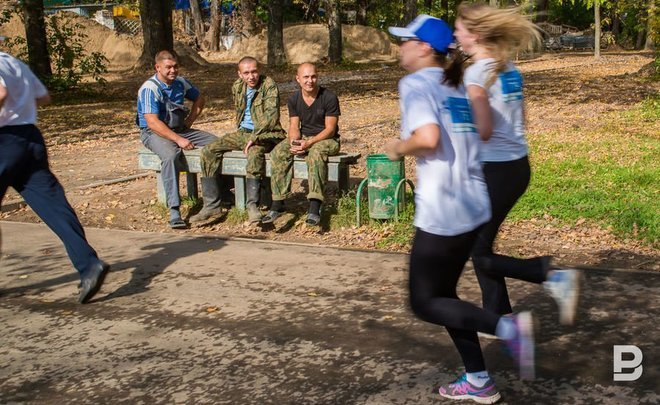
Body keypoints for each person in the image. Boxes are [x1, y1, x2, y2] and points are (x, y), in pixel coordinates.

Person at [385, 15, 535, 404]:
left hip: (444, 211)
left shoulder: (416, 83)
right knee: (447, 297)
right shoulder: (454, 82)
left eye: (405, 41)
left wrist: (398, 147)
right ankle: (478, 379)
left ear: (423, 48)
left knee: (426, 302)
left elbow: (428, 137)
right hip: (474, 202)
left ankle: (506, 327)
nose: (400, 47)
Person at [454, 4, 580, 326]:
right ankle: (501, 318)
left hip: (495, 170)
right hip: (516, 166)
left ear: (476, 34)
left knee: (478, 251)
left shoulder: (477, 72)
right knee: (481, 245)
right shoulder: (507, 68)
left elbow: (482, 130)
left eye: (459, 29)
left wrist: (450, 128)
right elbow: (522, 118)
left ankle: (549, 275)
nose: (455, 34)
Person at [0, 51, 109, 304]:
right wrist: (19, 112)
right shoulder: (13, 62)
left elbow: (2, 93)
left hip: (4, 141)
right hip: (30, 139)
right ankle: (89, 264)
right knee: (55, 208)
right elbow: (43, 96)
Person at [191, 56, 286, 224]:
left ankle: (252, 205)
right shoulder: (237, 87)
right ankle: (212, 204)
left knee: (254, 153)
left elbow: (272, 117)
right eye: (246, 73)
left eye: (254, 71)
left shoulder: (268, 85)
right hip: (243, 133)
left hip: (267, 134)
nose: (251, 76)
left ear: (260, 70)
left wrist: (255, 137)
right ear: (240, 74)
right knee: (208, 151)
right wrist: (245, 135)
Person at [137, 50, 221, 229]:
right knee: (171, 156)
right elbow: (152, 122)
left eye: (175, 67)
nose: (173, 71)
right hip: (154, 133)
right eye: (168, 67)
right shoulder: (149, 89)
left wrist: (189, 120)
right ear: (157, 67)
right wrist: (178, 140)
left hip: (180, 129)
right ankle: (174, 210)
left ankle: (219, 195)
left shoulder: (181, 83)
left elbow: (199, 98)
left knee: (218, 145)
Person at [262, 63, 341, 226]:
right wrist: (294, 141)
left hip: (327, 140)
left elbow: (330, 129)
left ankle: (314, 206)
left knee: (315, 153)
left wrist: (309, 143)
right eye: (306, 77)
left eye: (313, 76)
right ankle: (278, 203)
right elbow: (293, 126)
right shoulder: (294, 99)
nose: (310, 80)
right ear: (298, 79)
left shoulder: (329, 97)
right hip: (304, 137)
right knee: (278, 152)